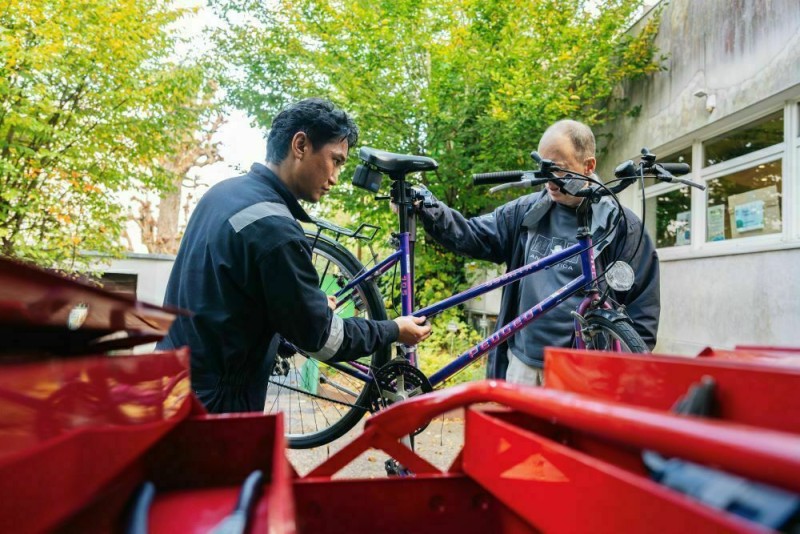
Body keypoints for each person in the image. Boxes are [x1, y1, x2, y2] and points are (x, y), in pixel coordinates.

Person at [157, 98, 431, 413]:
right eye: (335, 160)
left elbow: (228, 303)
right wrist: (394, 329)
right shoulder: (276, 230)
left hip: (170, 385)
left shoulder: (221, 194)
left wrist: (300, 310)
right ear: (300, 145)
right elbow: (325, 340)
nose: (336, 177)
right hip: (214, 411)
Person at [416, 119, 659, 385]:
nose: (549, 181)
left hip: (582, 371)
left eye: (559, 170)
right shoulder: (526, 212)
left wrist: (621, 374)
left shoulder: (621, 225)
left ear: (589, 165)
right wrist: (428, 209)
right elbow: (472, 235)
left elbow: (642, 310)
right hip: (522, 364)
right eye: (543, 167)